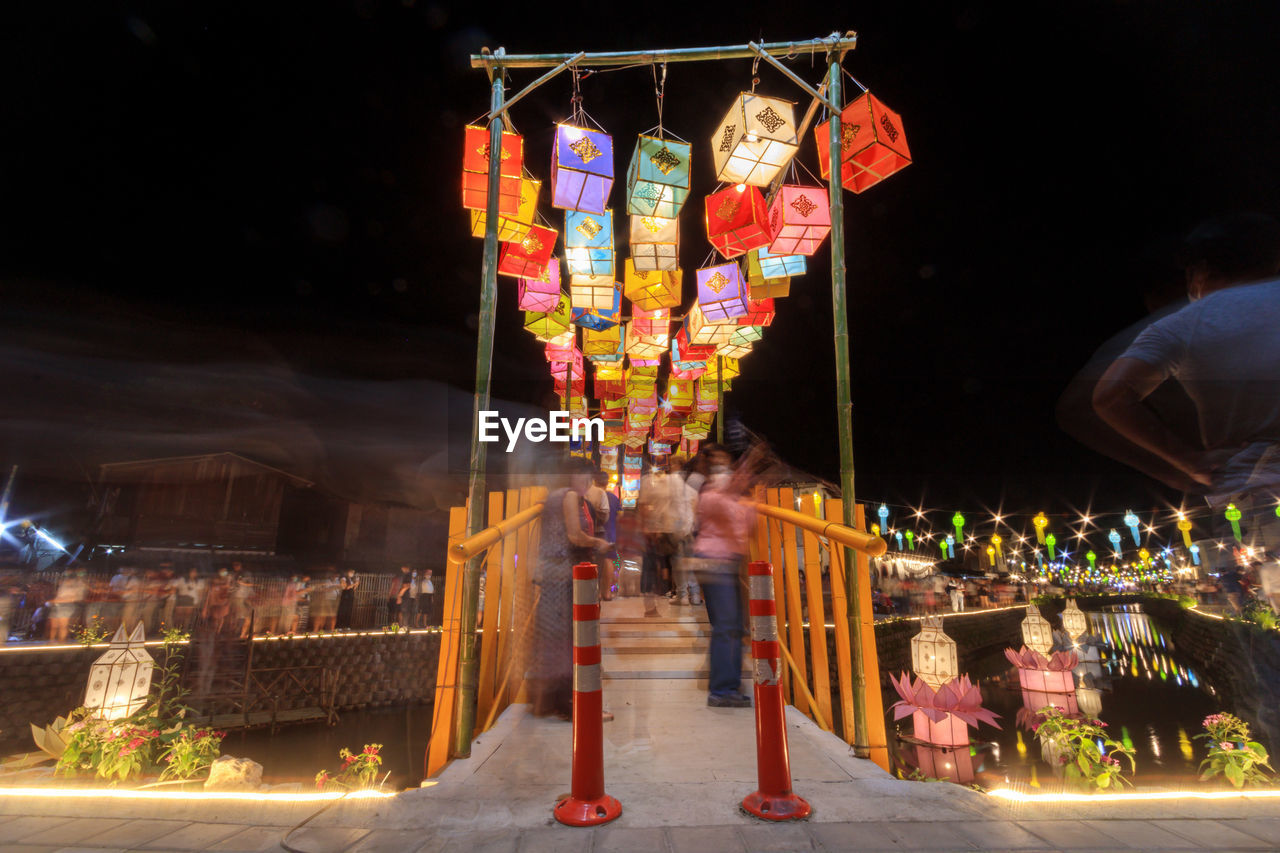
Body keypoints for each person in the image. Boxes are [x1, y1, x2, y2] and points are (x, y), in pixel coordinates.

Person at [1093, 214, 1280, 522]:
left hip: (1255, 487)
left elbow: (1109, 397)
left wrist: (1191, 461)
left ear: (1200, 271)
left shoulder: (1182, 326)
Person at [529, 457, 612, 719]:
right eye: (584, 477)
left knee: (554, 636)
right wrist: (600, 544)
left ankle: (547, 701)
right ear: (573, 475)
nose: (587, 483)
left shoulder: (553, 496)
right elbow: (574, 536)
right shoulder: (568, 497)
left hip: (551, 574)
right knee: (570, 637)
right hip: (565, 573)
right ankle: (570, 703)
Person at [690, 442, 761, 709]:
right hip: (713, 562)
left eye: (726, 462)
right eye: (718, 463)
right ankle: (721, 690)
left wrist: (752, 502)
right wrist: (750, 464)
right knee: (725, 627)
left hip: (729, 563)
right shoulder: (710, 495)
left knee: (733, 626)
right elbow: (722, 506)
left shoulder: (732, 497)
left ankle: (728, 684)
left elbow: (747, 529)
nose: (724, 468)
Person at [637, 458, 681, 616]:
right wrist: (647, 527)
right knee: (650, 567)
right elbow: (642, 506)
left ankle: (670, 595)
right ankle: (650, 606)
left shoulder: (673, 481)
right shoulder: (647, 481)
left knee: (669, 567)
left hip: (669, 530)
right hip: (652, 531)